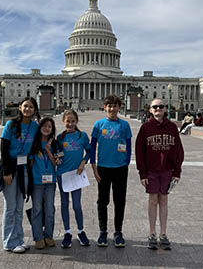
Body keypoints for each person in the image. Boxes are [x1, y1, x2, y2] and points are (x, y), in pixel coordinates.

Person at [135, 98, 184, 250]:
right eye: (155, 107)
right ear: (150, 110)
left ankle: (163, 233)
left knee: (164, 200)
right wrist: (142, 173)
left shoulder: (172, 128)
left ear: (165, 109)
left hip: (167, 171)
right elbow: (139, 151)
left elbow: (178, 151)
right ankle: (152, 233)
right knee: (152, 200)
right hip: (151, 171)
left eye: (161, 106)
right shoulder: (145, 128)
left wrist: (177, 171)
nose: (158, 109)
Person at [90, 95, 132, 248]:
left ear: (119, 107)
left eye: (115, 106)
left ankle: (118, 231)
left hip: (120, 168)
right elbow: (92, 146)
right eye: (109, 106)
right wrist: (93, 165)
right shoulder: (98, 124)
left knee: (119, 200)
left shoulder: (124, 125)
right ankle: (103, 231)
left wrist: (126, 163)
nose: (112, 109)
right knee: (102, 200)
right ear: (104, 107)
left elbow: (128, 145)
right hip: (103, 168)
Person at [0, 97, 40, 253]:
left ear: (34, 110)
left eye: (31, 107)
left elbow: (34, 147)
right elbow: (3, 149)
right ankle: (8, 242)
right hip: (10, 167)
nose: (28, 109)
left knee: (19, 205)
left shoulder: (34, 126)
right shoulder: (11, 125)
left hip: (24, 168)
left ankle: (18, 238)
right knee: (10, 206)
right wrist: (5, 171)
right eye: (25, 106)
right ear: (20, 107)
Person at [56, 109, 91, 248]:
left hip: (76, 174)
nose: (70, 124)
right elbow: (58, 152)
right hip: (63, 174)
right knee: (64, 203)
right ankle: (67, 232)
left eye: (72, 121)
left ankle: (81, 230)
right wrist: (57, 157)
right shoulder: (60, 137)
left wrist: (83, 162)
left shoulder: (82, 136)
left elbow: (89, 151)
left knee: (76, 204)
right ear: (63, 122)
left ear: (76, 121)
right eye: (67, 121)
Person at [29, 117, 58, 249]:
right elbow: (30, 164)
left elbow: (55, 163)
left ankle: (48, 235)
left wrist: (48, 150)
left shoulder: (54, 144)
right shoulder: (34, 144)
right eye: (44, 126)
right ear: (40, 127)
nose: (47, 129)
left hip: (51, 181)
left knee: (50, 209)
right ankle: (38, 237)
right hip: (37, 182)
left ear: (52, 130)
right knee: (37, 209)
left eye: (49, 127)